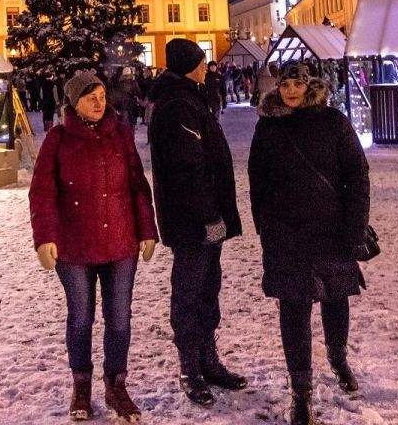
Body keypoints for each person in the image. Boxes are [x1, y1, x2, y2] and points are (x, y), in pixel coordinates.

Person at [29, 70, 158, 423]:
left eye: (101, 94)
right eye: (90, 97)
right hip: (75, 248)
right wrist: (45, 237)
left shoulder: (121, 135)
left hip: (121, 243)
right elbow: (42, 193)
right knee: (81, 319)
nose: (99, 102)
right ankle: (81, 383)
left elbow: (137, 186)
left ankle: (116, 383)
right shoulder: (57, 140)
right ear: (73, 102)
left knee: (119, 320)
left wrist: (148, 229)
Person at [248, 61, 370, 424]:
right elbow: (258, 179)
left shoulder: (333, 122)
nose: (290, 90)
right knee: (294, 309)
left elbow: (357, 175)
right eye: (284, 84)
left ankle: (338, 358)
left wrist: (355, 227)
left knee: (336, 297)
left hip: (332, 228)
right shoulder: (268, 127)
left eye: (297, 84)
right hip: (286, 234)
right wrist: (265, 227)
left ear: (309, 85)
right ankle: (300, 392)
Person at [147, 39, 245, 408]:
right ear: (190, 64)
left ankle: (207, 360)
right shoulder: (177, 106)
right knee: (190, 292)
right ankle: (191, 367)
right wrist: (211, 218)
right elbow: (189, 170)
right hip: (195, 221)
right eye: (202, 62)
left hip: (204, 218)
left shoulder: (189, 97)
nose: (207, 67)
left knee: (207, 288)